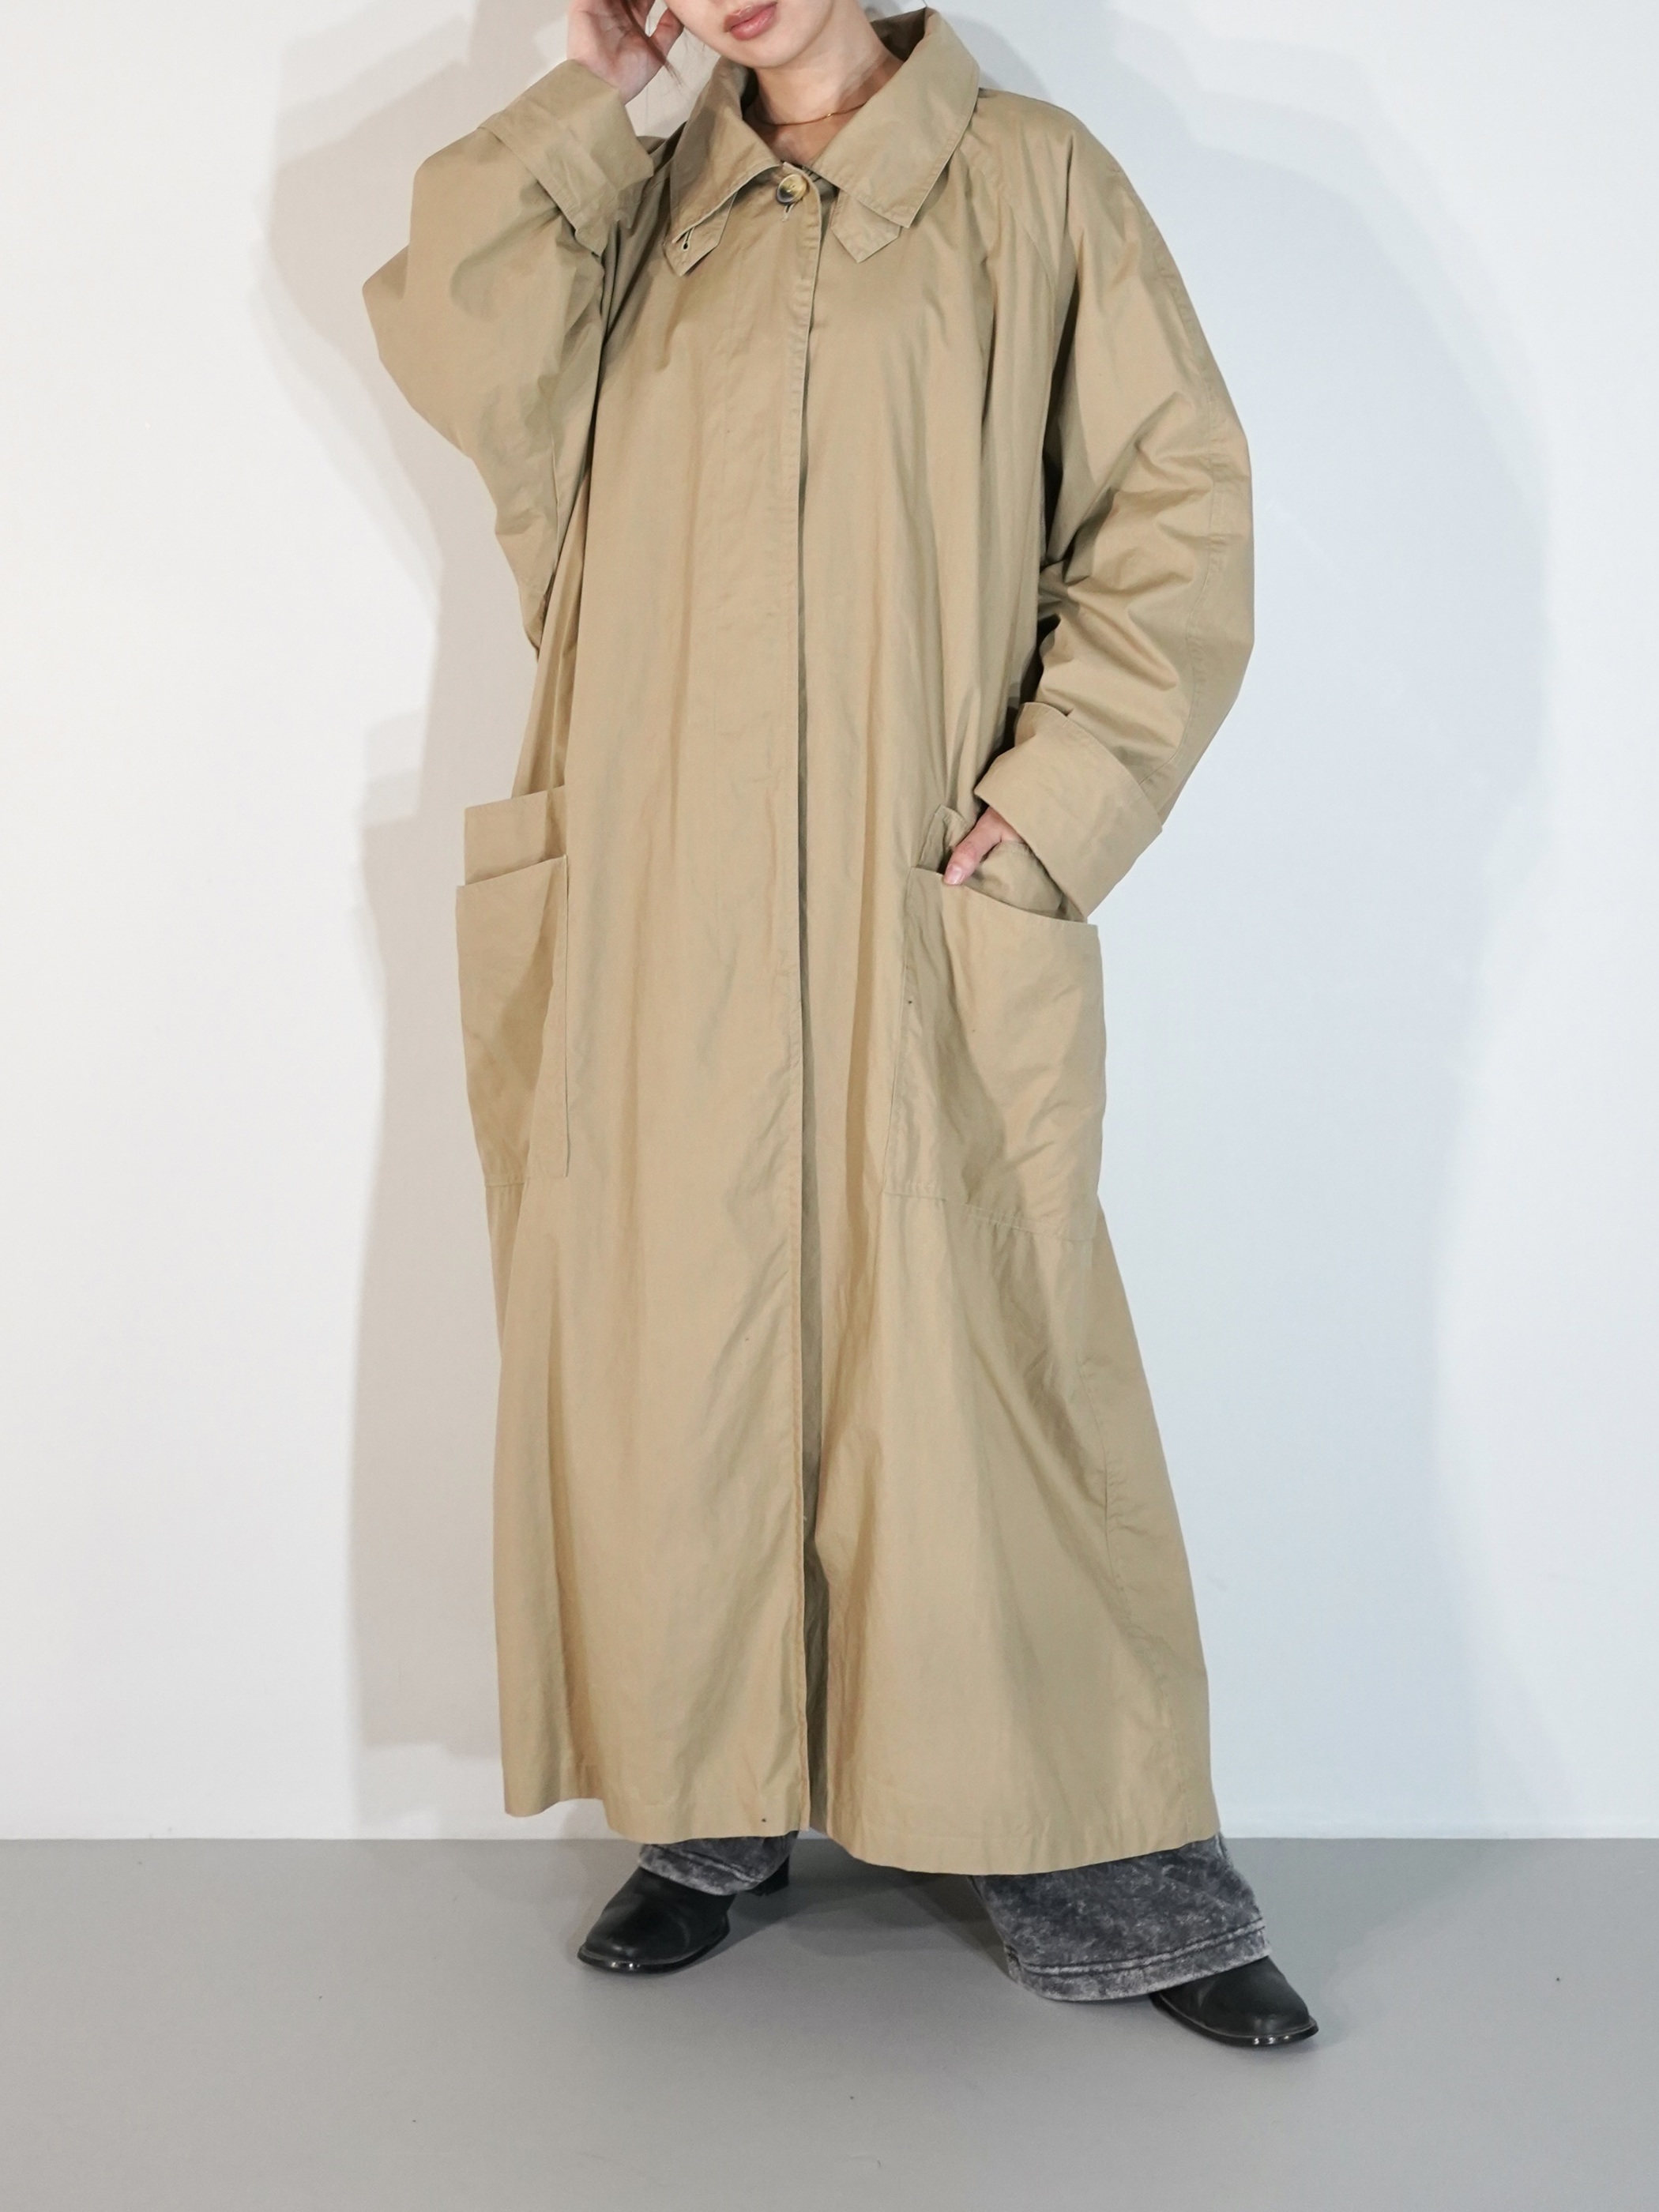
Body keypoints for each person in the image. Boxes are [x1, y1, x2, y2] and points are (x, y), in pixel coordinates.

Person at [364, 0, 1316, 2048]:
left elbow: (1178, 518)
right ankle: (709, 1811)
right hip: (658, 907)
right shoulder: (630, 212)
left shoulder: (1031, 193)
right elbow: (447, 321)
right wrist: (600, 96)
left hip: (916, 904)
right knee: (672, 1364)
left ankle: (1108, 1854)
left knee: (983, 1366)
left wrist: (1055, 810)